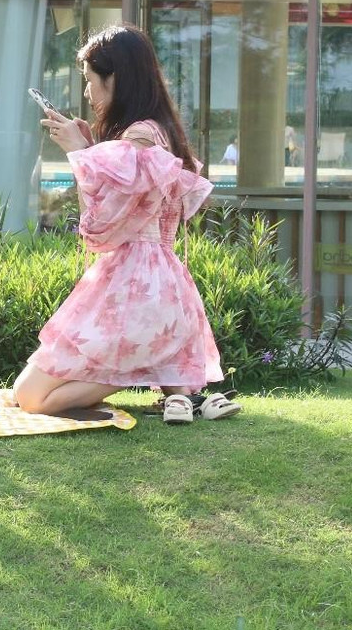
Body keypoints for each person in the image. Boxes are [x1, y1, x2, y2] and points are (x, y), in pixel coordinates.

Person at [13, 24, 238, 424]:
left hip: (134, 286)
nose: (87, 92)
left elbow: (103, 226)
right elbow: (132, 203)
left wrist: (80, 153)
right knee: (29, 394)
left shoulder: (141, 135)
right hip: (156, 285)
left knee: (30, 398)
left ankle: (142, 371)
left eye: (89, 80)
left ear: (115, 76)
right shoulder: (156, 131)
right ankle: (171, 386)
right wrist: (90, 150)